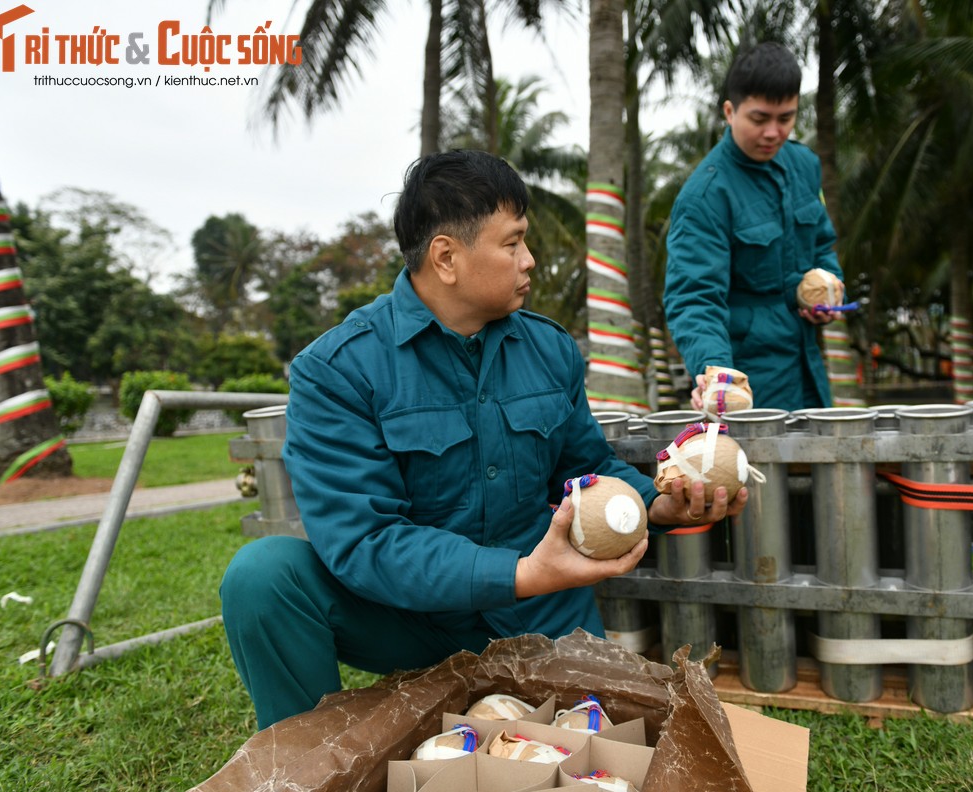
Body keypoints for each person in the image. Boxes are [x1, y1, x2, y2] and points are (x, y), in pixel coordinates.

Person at [219, 150, 748, 730]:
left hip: (542, 614)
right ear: (447, 257)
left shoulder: (549, 350)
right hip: (412, 617)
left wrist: (657, 502)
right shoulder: (339, 369)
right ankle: (306, 762)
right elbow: (364, 540)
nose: (531, 260)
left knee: (595, 757)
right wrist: (521, 572)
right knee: (264, 576)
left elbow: (585, 467)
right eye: (513, 243)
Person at [663, 42, 844, 412]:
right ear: (730, 112)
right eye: (760, 119)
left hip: (809, 374)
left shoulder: (804, 166)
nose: (774, 133)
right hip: (747, 389)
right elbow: (694, 299)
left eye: (786, 118)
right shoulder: (706, 196)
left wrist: (828, 290)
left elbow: (823, 244)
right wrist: (717, 373)